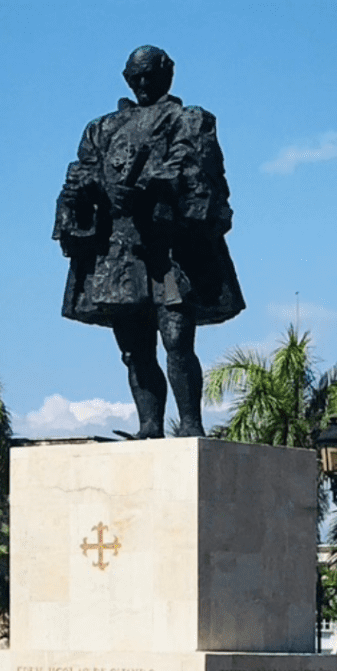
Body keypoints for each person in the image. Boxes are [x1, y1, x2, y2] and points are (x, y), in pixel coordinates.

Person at [53, 45, 244, 438]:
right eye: (134, 77)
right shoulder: (100, 128)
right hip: (120, 255)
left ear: (167, 73)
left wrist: (147, 185)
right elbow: (79, 175)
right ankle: (149, 427)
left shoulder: (189, 119)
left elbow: (194, 168)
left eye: (149, 76)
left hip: (169, 253)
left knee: (176, 338)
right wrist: (94, 186)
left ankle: (191, 425)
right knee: (134, 350)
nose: (141, 84)